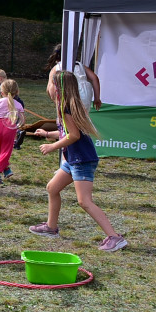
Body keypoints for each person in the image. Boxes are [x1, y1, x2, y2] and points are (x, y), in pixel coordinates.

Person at [30, 70, 127, 252]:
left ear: (58, 88)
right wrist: (48, 134)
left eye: (50, 83)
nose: (48, 88)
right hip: (72, 159)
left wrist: (53, 147)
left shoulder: (67, 108)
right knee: (52, 188)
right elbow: (67, 133)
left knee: (84, 201)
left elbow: (73, 136)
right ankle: (51, 228)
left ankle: (115, 237)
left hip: (81, 160)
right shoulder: (65, 105)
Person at [0, 79, 24, 184]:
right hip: (10, 127)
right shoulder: (18, 105)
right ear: (16, 92)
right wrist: (17, 126)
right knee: (6, 151)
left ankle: (6, 169)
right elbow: (22, 120)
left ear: (1, 92)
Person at [44, 43, 101, 111]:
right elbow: (95, 78)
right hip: (86, 92)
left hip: (70, 93)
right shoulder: (80, 65)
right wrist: (97, 98)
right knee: (84, 116)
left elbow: (50, 88)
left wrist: (56, 101)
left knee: (69, 116)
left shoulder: (57, 68)